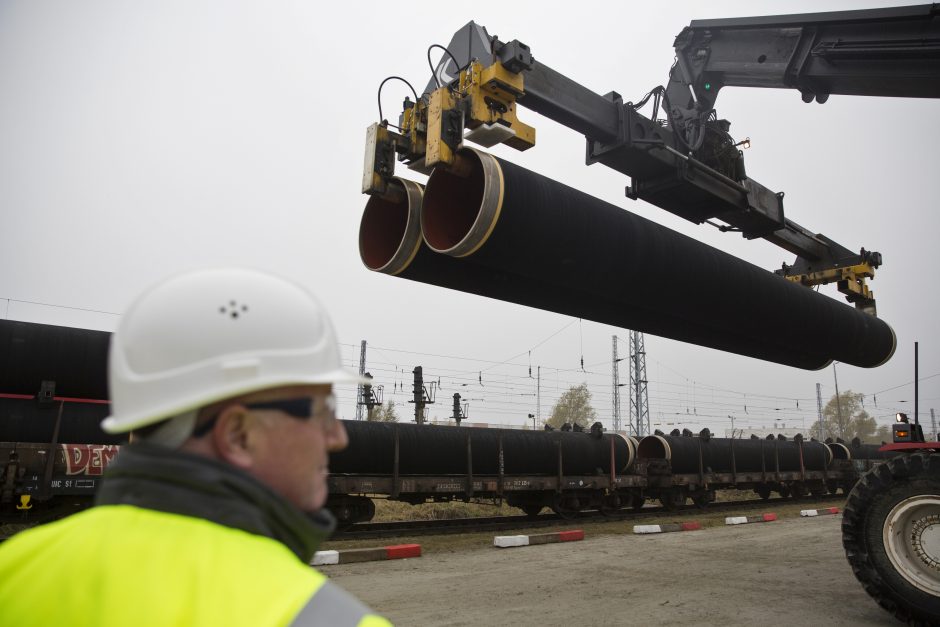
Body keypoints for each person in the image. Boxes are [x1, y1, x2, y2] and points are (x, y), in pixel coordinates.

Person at [0, 268, 391, 626]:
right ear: (238, 435)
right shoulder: (319, 617)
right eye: (322, 411)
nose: (337, 436)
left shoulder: (16, 570)